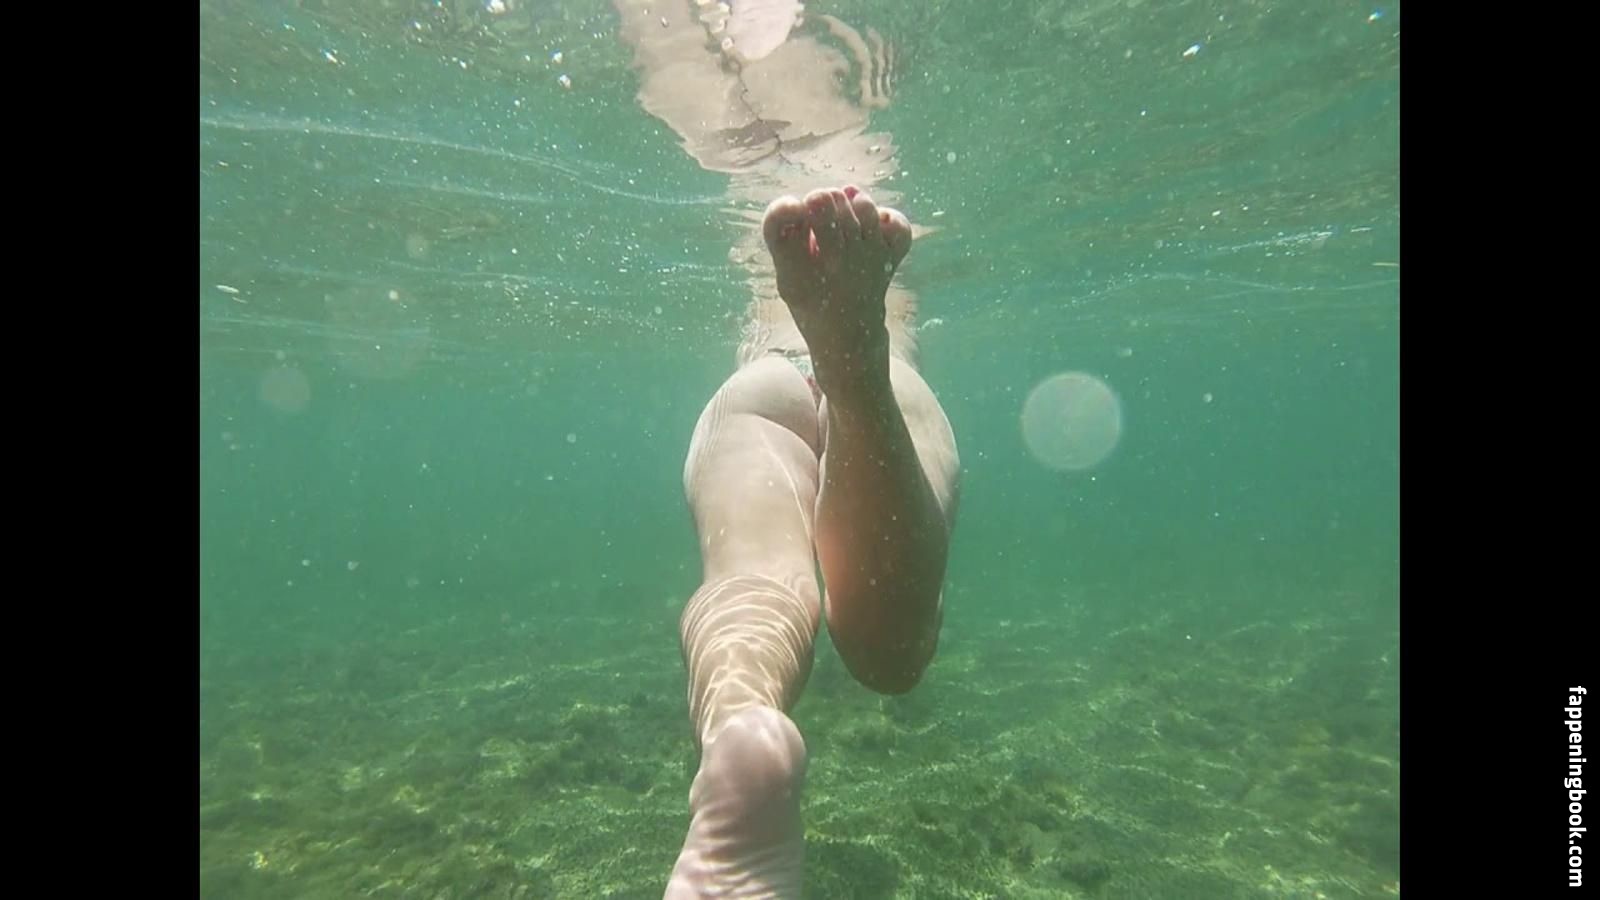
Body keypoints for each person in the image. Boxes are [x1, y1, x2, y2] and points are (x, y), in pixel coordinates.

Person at [611, 3, 960, 896]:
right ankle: (856, 372)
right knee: (889, 656)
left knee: (756, 580)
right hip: (890, 390)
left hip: (761, 387)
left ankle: (742, 729)